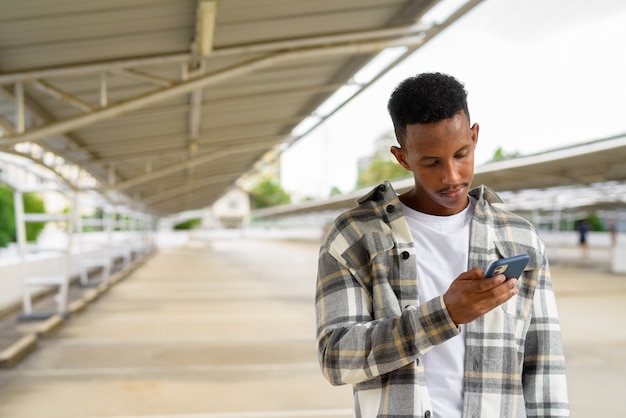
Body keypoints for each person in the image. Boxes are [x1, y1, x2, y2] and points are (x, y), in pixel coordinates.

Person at [315, 72, 569, 417]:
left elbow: (544, 367)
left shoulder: (518, 238)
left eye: (461, 154)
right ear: (403, 158)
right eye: (431, 162)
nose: (451, 176)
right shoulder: (354, 237)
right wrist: (444, 314)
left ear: (475, 137)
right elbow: (336, 359)